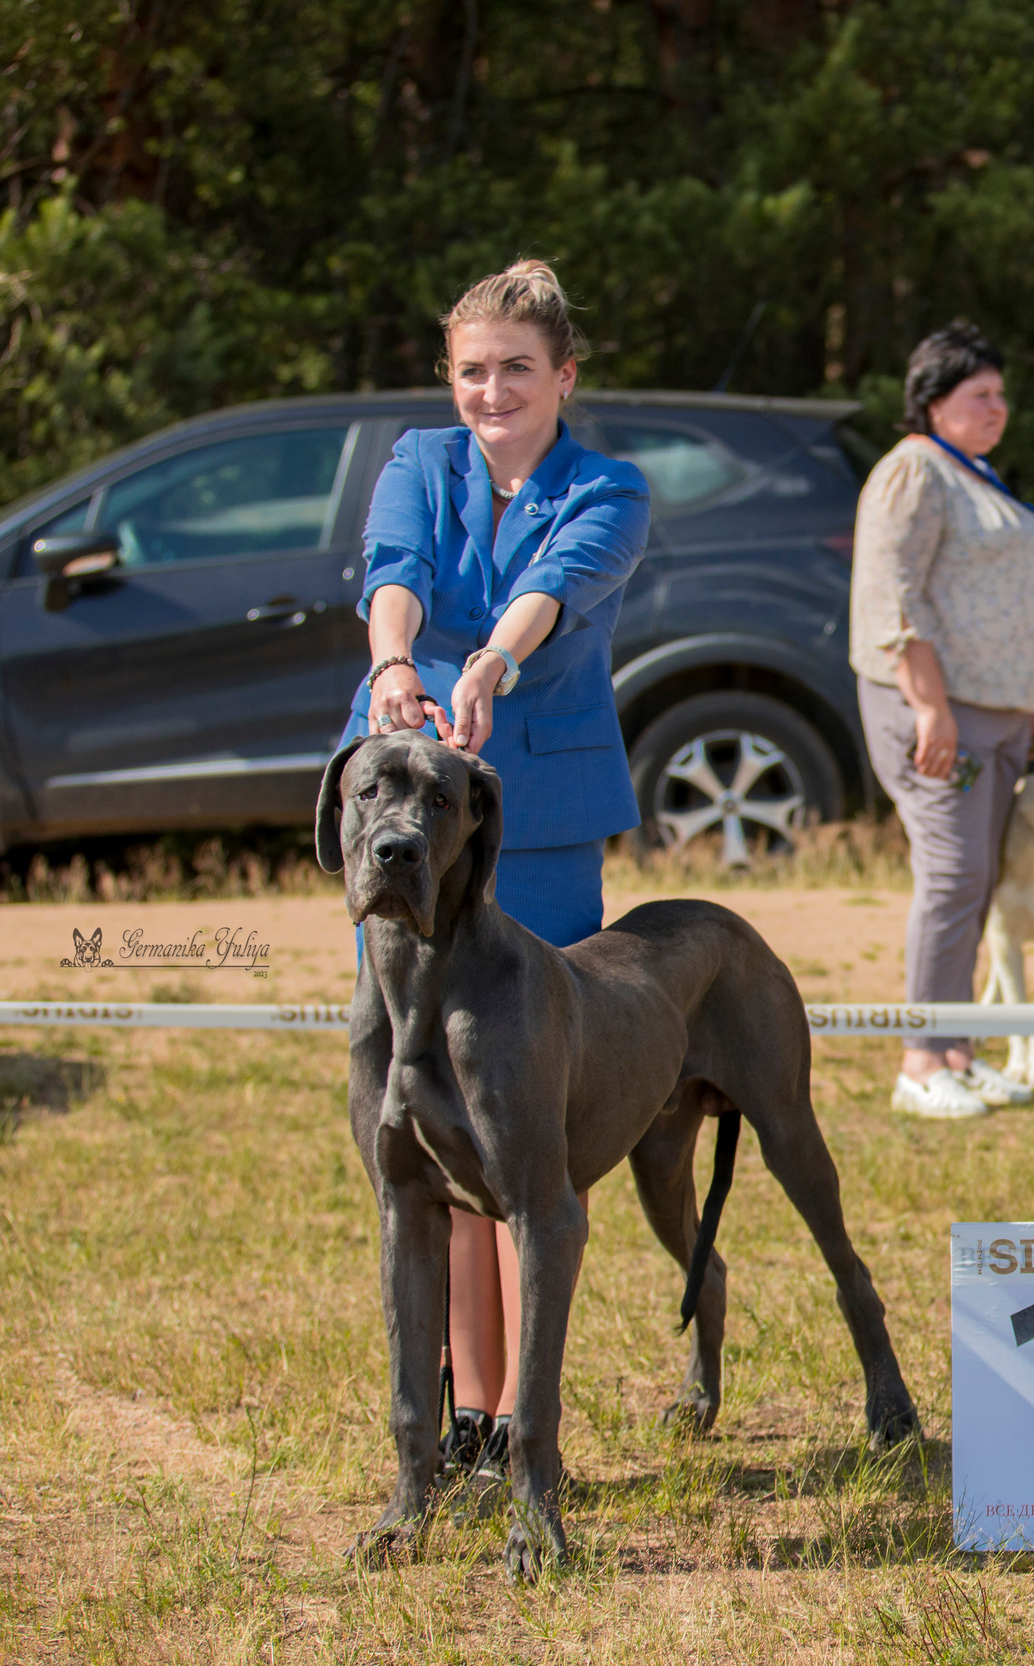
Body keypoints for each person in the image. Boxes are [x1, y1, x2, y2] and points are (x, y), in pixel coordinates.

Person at [349, 259, 651, 1478]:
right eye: (471, 369)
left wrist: (489, 669)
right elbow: (393, 571)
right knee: (423, 1125)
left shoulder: (610, 486)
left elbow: (550, 593)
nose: (490, 390)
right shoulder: (419, 461)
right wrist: (395, 668)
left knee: (520, 1124)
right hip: (410, 820)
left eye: (515, 369)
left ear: (562, 375)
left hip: (540, 821)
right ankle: (466, 1410)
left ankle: (533, 1423)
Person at [850, 322, 1034, 1120]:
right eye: (981, 395)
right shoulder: (914, 472)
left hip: (998, 719)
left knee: (976, 882)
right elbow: (895, 595)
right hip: (938, 715)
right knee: (952, 877)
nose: (998, 406)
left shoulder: (976, 474)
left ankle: (959, 1050)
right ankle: (919, 1060)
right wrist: (930, 704)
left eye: (1002, 394)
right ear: (934, 403)